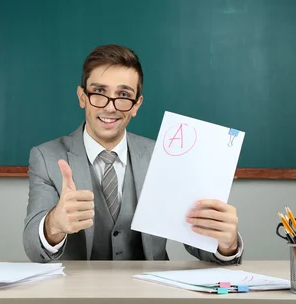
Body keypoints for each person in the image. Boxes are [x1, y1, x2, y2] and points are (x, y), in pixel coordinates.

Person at [23, 44, 243, 264]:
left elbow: (200, 242)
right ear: (82, 97)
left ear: (137, 104)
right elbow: (34, 248)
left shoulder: (163, 158)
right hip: (75, 294)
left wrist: (226, 243)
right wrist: (54, 225)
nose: (110, 107)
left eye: (123, 94)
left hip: (149, 292)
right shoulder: (46, 157)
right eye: (99, 92)